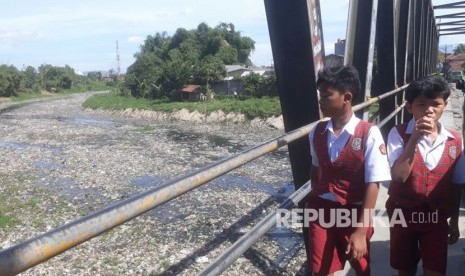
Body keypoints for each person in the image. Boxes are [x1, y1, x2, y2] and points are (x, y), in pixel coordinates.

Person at [306, 65, 391, 275]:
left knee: (360, 265)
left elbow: (374, 183)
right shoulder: (316, 132)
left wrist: (361, 230)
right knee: (319, 269)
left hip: (355, 210)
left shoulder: (368, 134)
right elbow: (315, 169)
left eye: (326, 96)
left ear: (347, 97)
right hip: (321, 210)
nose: (320, 101)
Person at [386, 75, 463, 276]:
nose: (429, 110)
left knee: (435, 270)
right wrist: (414, 139)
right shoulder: (398, 133)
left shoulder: (455, 141)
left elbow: (456, 186)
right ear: (409, 107)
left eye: (435, 104)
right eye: (421, 104)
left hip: (436, 217)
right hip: (403, 213)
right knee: (406, 268)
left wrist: (453, 222)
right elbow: (399, 177)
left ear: (444, 106)